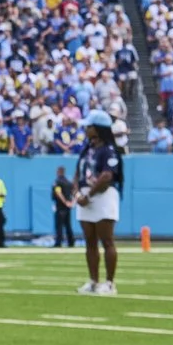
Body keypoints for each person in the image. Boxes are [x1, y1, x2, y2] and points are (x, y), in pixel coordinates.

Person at [74, 109, 124, 296]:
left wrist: (88, 195)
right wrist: (77, 192)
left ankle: (109, 282)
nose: (86, 129)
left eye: (89, 126)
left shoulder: (109, 150)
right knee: (90, 241)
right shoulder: (87, 149)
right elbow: (77, 173)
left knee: (107, 240)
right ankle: (93, 281)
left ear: (98, 128)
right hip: (85, 195)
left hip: (102, 196)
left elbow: (107, 176)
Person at [49, 165, 78, 248]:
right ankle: (71, 242)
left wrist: (65, 202)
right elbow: (75, 192)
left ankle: (58, 242)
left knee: (59, 225)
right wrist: (72, 202)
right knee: (68, 225)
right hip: (68, 207)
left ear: (58, 171)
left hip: (60, 206)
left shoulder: (57, 181)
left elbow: (58, 192)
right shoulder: (68, 182)